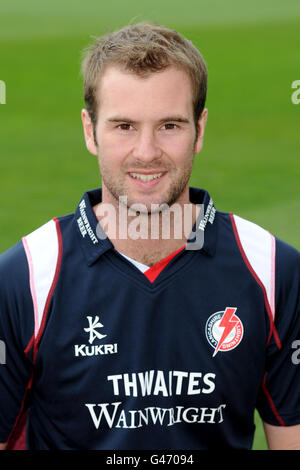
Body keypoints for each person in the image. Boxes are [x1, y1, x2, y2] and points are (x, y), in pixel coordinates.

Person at [0, 22, 300, 451]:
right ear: (89, 130)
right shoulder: (24, 279)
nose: (146, 152)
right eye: (124, 126)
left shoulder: (274, 271)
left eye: (170, 126)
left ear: (200, 129)